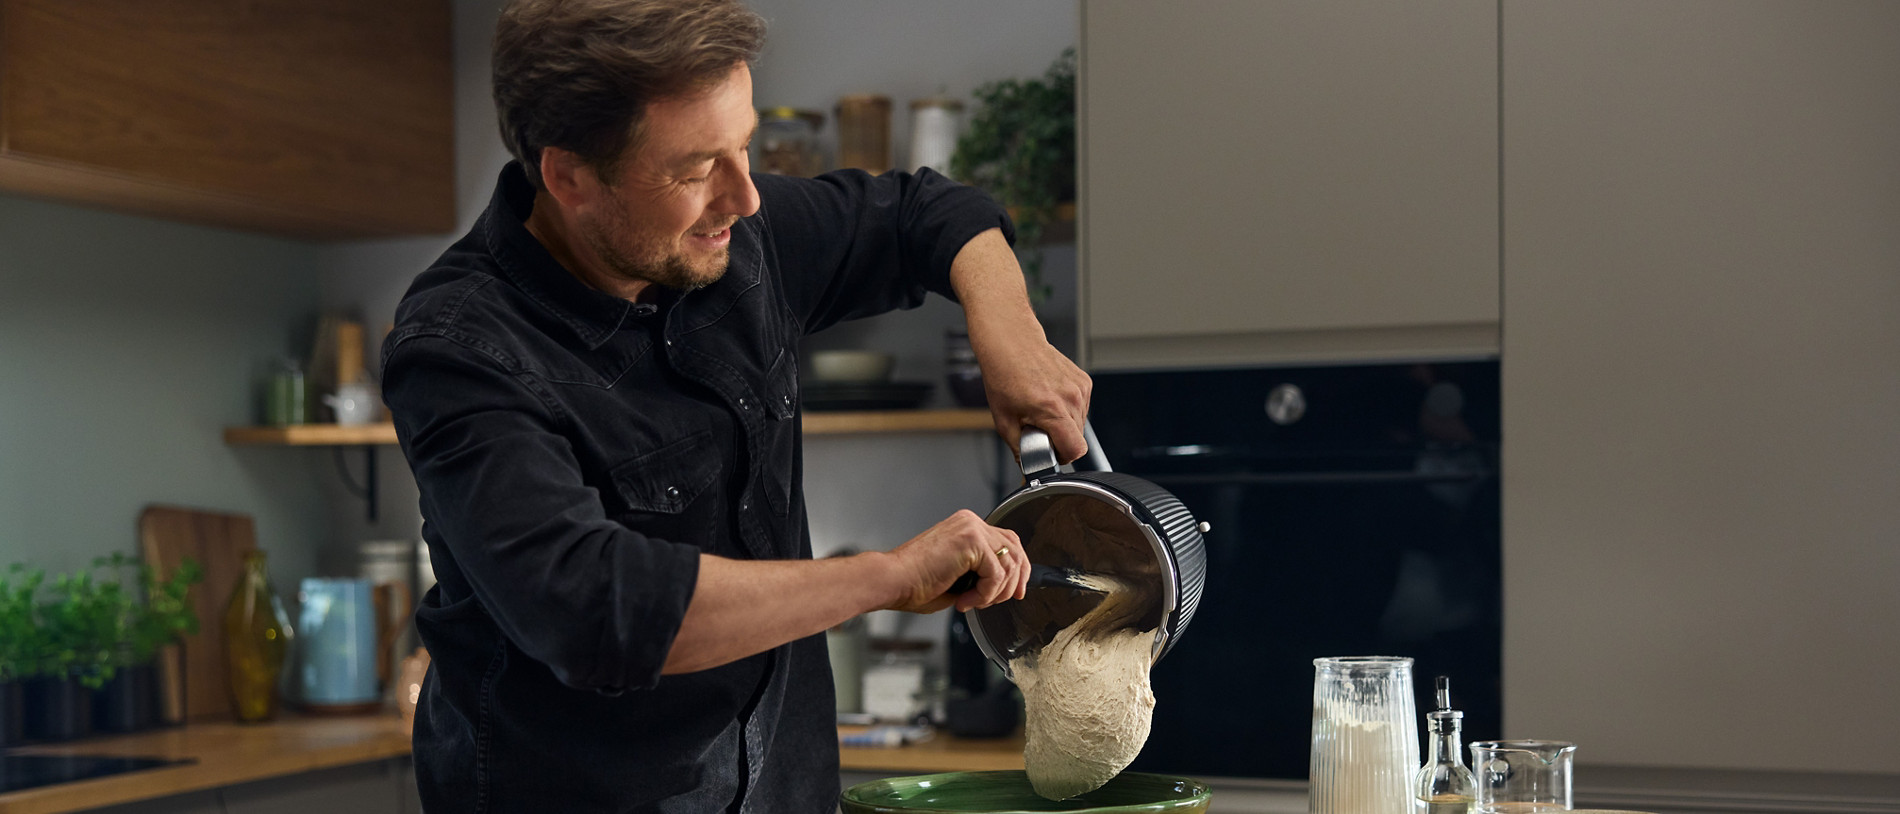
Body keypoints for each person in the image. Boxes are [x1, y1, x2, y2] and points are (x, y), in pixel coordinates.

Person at [378, 0, 1092, 810]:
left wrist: (1012, 335)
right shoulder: (458, 348)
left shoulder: (737, 236)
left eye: (743, 146)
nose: (746, 197)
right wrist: (888, 578)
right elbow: (594, 608)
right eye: (694, 171)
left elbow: (928, 213)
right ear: (569, 176)